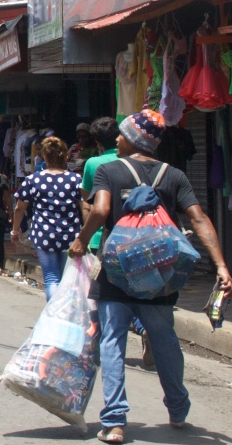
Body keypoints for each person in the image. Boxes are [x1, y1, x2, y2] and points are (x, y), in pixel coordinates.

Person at [68, 110, 232, 444]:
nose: (116, 138)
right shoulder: (174, 176)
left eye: (122, 134)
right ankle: (177, 407)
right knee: (164, 339)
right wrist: (221, 265)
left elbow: (99, 211)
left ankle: (114, 421)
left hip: (116, 273)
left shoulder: (108, 170)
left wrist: (80, 242)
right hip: (159, 275)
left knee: (112, 340)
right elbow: (198, 219)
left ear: (134, 139)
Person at [82, 116, 151, 367]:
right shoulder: (144, 164)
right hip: (141, 236)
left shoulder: (95, 164)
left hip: (105, 238)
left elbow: (90, 206)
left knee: (106, 296)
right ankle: (145, 329)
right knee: (137, 289)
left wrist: (83, 237)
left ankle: (102, 343)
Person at [10, 136, 82, 300]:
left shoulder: (34, 179)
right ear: (64, 156)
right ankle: (64, 314)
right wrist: (86, 234)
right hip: (70, 234)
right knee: (66, 280)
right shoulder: (75, 179)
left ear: (45, 157)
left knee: (51, 278)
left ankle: (53, 315)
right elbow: (85, 207)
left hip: (44, 233)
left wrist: (15, 230)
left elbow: (20, 207)